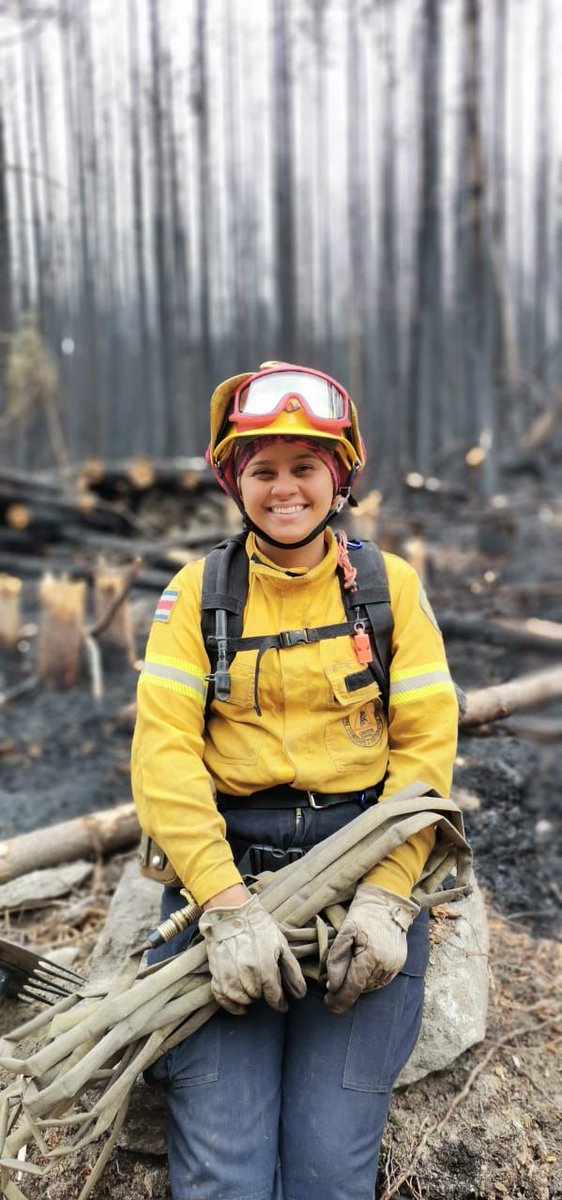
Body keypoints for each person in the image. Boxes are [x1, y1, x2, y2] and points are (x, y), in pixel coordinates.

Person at [131, 362, 459, 1200]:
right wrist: (224, 908)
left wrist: (390, 899)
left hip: (357, 874)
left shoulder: (389, 592)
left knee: (326, 1178)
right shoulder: (196, 596)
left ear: (339, 476)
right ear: (234, 480)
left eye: (304, 467)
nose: (284, 489)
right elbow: (164, 760)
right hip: (231, 881)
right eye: (263, 469)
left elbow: (424, 751)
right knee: (225, 1180)